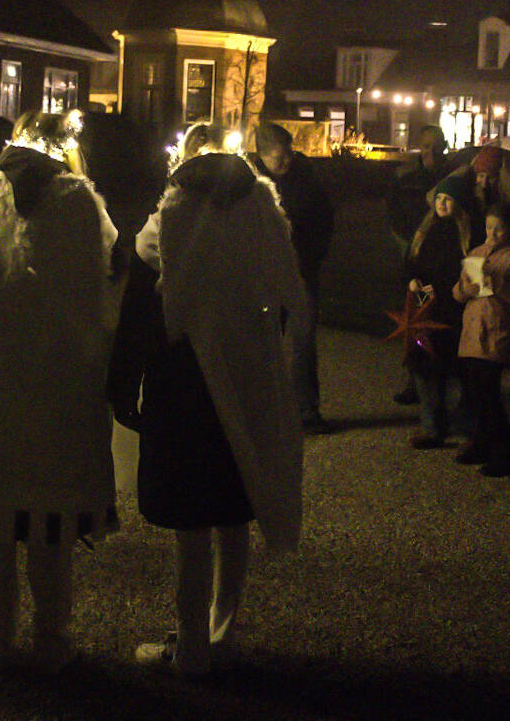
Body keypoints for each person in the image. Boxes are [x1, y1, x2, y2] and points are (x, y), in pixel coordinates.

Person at [119, 123, 306, 677]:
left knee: (192, 512)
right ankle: (221, 632)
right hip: (249, 365)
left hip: (188, 372)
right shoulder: (262, 212)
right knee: (232, 501)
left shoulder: (173, 214)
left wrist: (126, 381)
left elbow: (144, 268)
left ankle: (193, 646)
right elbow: (286, 287)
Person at [0, 110, 120, 673]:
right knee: (50, 511)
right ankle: (52, 638)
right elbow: (101, 279)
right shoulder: (80, 201)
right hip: (58, 376)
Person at [249, 122, 335, 434]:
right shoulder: (250, 183)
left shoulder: (306, 179)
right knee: (263, 343)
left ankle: (306, 409)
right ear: (262, 156)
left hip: (301, 272)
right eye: (279, 159)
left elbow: (326, 219)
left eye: (288, 157)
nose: (286, 164)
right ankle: (261, 410)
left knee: (304, 342)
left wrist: (313, 256)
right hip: (265, 277)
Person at [451, 201, 510, 478]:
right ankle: (482, 443)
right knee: (474, 394)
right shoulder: (476, 253)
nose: (492, 234)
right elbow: (458, 291)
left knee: (489, 396)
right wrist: (465, 289)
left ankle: (505, 454)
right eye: (488, 227)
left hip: (495, 333)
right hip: (472, 331)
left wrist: (495, 284)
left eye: (498, 229)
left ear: (509, 230)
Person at [403, 174, 475, 452]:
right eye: (439, 198)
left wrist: (448, 289)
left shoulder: (466, 232)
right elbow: (410, 260)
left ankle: (462, 425)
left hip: (452, 308)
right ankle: (432, 425)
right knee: (423, 366)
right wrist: (412, 279)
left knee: (454, 370)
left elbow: (469, 272)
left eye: (448, 199)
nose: (442, 204)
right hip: (425, 306)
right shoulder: (426, 229)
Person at [387, 125, 452, 405]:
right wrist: (407, 246)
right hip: (418, 265)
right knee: (417, 320)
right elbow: (394, 213)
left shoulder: (452, 180)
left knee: (441, 321)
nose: (431, 153)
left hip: (443, 263)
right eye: (426, 147)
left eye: (436, 147)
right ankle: (417, 378)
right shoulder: (408, 179)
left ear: (445, 146)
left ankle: (437, 379)